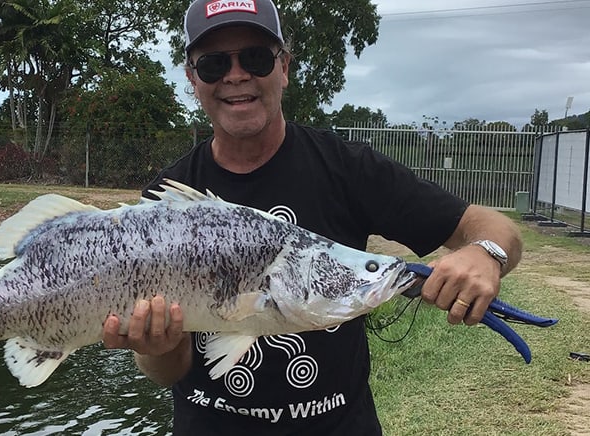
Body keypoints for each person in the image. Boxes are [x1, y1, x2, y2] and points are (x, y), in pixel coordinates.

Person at [102, 0, 522, 433]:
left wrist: (486, 253)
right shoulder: (166, 200)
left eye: (256, 57)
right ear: (193, 79)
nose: (236, 75)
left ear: (283, 67)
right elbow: (166, 372)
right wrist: (156, 347)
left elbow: (495, 228)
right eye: (212, 64)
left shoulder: (348, 167)